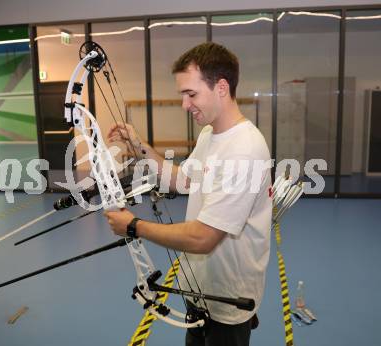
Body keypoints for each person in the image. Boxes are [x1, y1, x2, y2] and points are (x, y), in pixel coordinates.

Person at [104, 42, 272, 346]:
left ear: (221, 87)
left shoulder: (244, 149)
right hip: (199, 288)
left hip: (229, 300)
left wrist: (134, 226)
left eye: (191, 94)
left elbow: (203, 238)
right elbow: (181, 181)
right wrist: (138, 144)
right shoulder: (211, 133)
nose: (185, 105)